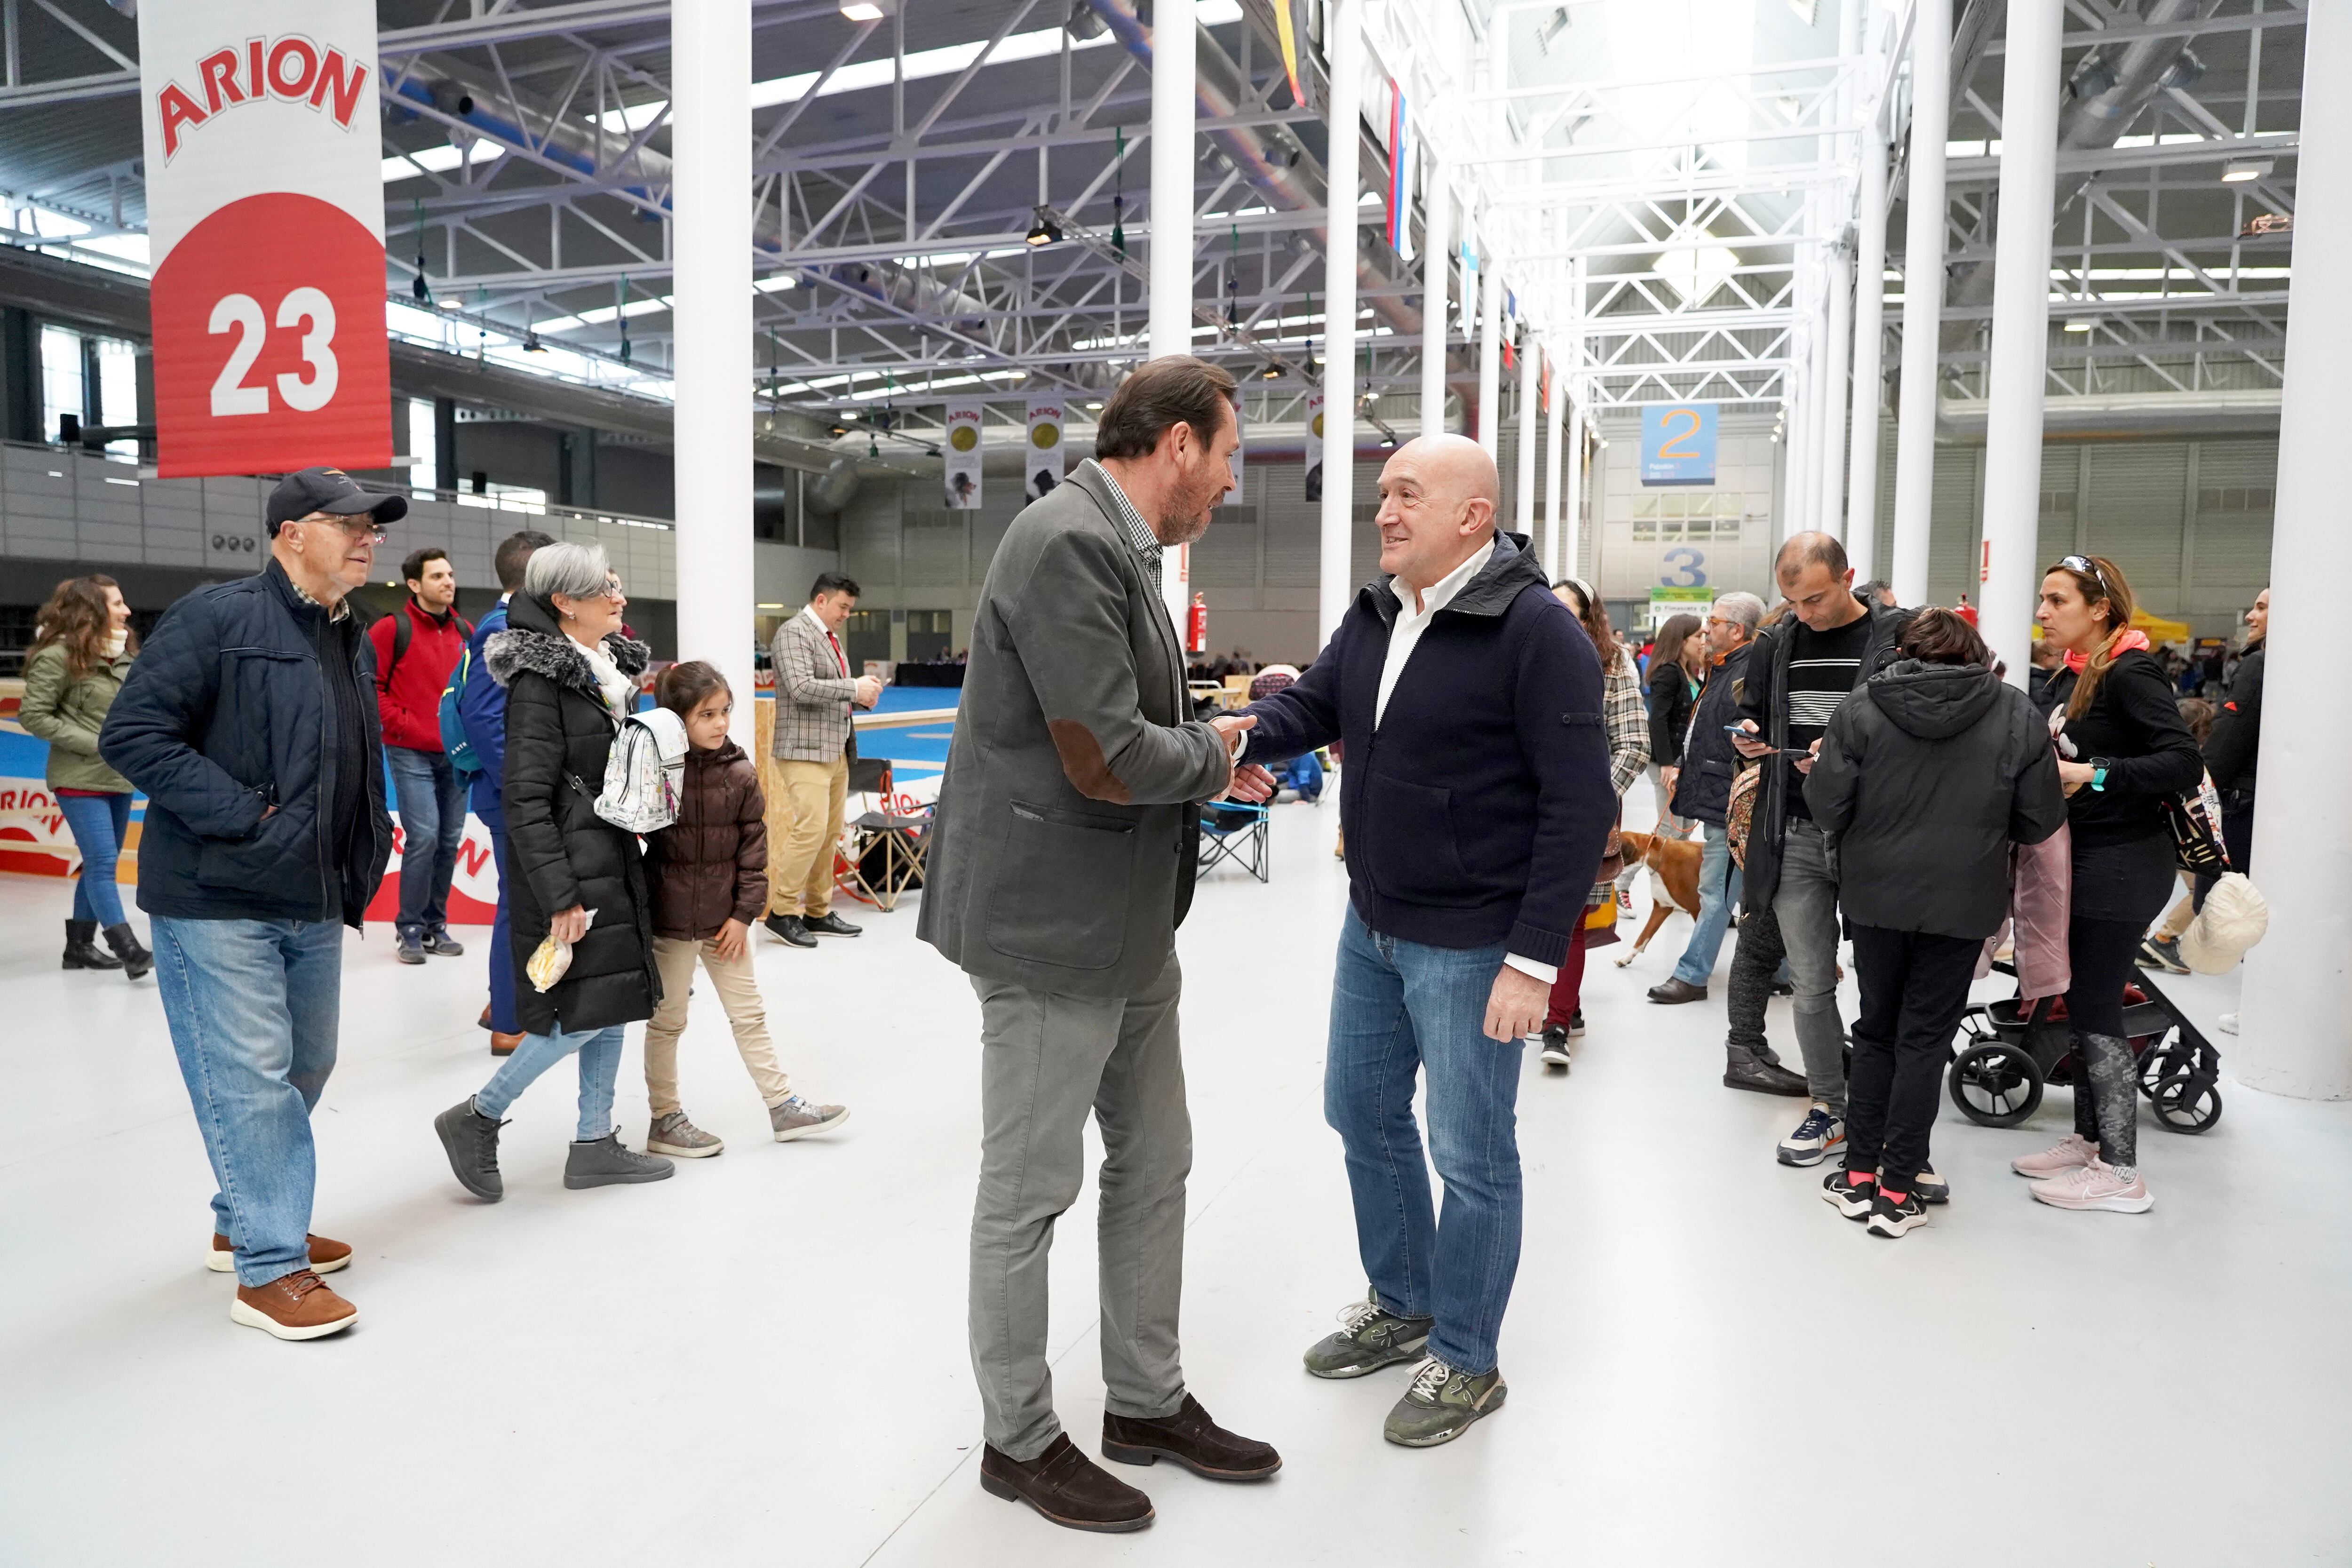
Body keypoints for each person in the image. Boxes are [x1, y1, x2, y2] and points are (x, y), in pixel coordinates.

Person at [918, 355, 1278, 1533]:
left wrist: (1211, 731)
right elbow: (1105, 756)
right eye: (1225, 455)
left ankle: (1144, 1399)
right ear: (1176, 444)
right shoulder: (1066, 541)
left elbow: (1133, 726)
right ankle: (1017, 1439)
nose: (1229, 482)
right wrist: (1223, 754)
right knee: (1028, 1189)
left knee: (1157, 1160)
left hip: (1127, 925)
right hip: (1046, 927)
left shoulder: (1125, 550)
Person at [1232, 433, 1609, 1449]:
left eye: (1407, 494)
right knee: (1357, 1105)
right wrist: (1229, 738)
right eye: (1382, 493)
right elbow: (1312, 706)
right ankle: (1402, 1300)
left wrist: (1534, 959)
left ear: (1472, 517)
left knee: (1471, 1152)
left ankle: (1468, 1356)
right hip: (1376, 920)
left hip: (1476, 939)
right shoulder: (1378, 610)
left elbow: (1582, 806)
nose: (1385, 512)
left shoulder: (1536, 632)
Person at [99, 467, 400, 1340]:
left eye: (371, 524)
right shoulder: (217, 617)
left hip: (311, 891)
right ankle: (269, 1267)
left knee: (310, 1063)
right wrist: (243, 814)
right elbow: (133, 734)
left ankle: (246, 1215)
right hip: (217, 890)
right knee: (255, 1082)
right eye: (347, 522)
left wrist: (366, 834)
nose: (365, 535)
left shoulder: (352, 637)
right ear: (290, 532)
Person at [1806, 609, 2067, 1236]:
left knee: (1875, 1031)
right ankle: (1899, 1189)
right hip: (1963, 903)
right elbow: (2038, 820)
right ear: (1975, 652)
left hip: (1874, 898)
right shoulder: (2016, 713)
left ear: (1903, 652)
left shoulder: (1862, 708)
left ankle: (1859, 1175)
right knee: (1924, 1040)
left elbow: (1826, 805)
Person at [432, 543, 673, 1202]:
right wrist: (561, 893)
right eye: (606, 590)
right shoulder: (542, 683)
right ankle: (478, 1114)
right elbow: (527, 796)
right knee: (585, 1014)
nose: (620, 599)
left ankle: (594, 1140)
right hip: (578, 862)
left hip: (610, 852)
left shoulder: (600, 673)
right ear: (565, 603)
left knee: (614, 997)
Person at [2015, 555, 2203, 1211]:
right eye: (2043, 599)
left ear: (2099, 609)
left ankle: (2122, 1173)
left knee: (2097, 1007)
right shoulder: (2079, 675)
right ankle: (2091, 1139)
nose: (2042, 612)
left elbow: (2181, 759)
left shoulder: (2131, 671)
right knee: (2083, 1000)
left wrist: (2092, 774)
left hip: (2123, 863)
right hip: (2089, 858)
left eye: (2056, 600)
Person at [1729, 533, 1912, 1166]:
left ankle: (1888, 1115)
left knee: (1889, 987)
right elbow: (1752, 714)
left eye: (1814, 598)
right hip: (1796, 831)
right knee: (1810, 983)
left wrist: (1849, 763)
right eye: (1792, 601)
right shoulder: (1777, 642)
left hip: (1875, 837)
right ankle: (1830, 1106)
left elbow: (1919, 732)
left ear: (1847, 577)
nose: (1804, 613)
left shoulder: (1898, 638)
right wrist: (1749, 737)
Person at [636, 661, 848, 1157]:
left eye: (725, 711)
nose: (720, 723)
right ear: (675, 718)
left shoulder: (739, 772)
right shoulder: (657, 770)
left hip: (724, 923)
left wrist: (742, 915)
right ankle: (664, 1118)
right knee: (667, 1022)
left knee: (749, 1015)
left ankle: (782, 1106)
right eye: (706, 714)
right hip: (670, 925)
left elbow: (755, 852)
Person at [1649, 593, 1777, 1022]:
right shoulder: (1726, 670)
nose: (1706, 629)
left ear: (1736, 630)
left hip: (1732, 801)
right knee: (1751, 892)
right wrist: (1684, 766)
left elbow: (1741, 739)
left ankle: (1692, 975)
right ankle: (1785, 968)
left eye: (1714, 621)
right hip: (1721, 795)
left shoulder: (1745, 674)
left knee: (1717, 891)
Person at [1537, 577, 1648, 1068]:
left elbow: (1634, 743)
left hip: (1588, 810)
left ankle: (1555, 1022)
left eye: (1571, 611)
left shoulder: (1612, 664)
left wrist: (1591, 798)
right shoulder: (1524, 658)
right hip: (1525, 808)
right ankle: (1564, 1003)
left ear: (1590, 618)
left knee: (1570, 919)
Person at [456, 529, 558, 1055]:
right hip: (512, 796)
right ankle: (509, 1021)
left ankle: (504, 1001)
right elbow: (482, 715)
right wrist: (521, 788)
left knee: (522, 902)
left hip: (512, 793)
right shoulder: (504, 628)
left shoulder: (516, 624)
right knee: (519, 906)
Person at [21, 574, 149, 976]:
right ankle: (127, 946)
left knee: (101, 865)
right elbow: (34, 714)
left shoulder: (124, 656)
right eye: (116, 604)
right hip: (78, 775)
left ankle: (78, 948)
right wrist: (95, 743)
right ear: (91, 610)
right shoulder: (57, 656)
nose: (126, 611)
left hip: (118, 775)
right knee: (102, 859)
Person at [763, 572, 882, 948]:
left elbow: (828, 692)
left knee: (829, 834)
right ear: (821, 601)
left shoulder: (830, 639)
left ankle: (817, 911)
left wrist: (859, 697)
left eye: (850, 608)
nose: (847, 614)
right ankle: (782, 912)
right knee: (810, 830)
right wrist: (853, 687)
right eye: (843, 607)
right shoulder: (793, 633)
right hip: (803, 751)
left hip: (836, 749)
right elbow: (800, 687)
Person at [367, 546, 473, 966]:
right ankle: (409, 929)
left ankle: (435, 925)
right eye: (437, 577)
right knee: (425, 836)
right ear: (414, 584)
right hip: (410, 751)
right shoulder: (391, 629)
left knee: (448, 840)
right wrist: (408, 726)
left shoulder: (466, 630)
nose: (448, 582)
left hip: (456, 756)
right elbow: (371, 689)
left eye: (450, 575)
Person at [1644, 611, 1703, 834]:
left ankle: (1658, 869)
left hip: (1681, 759)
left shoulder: (1687, 672)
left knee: (1684, 827)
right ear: (1682, 639)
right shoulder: (1669, 672)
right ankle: (1641, 869)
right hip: (1666, 759)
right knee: (1670, 827)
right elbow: (1658, 719)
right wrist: (1666, 764)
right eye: (1698, 637)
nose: (1702, 642)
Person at [2027, 632, 2066, 715]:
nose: (2059, 659)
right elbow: (2045, 711)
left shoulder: (2037, 678)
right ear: (2045, 658)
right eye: (2057, 655)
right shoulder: (2039, 684)